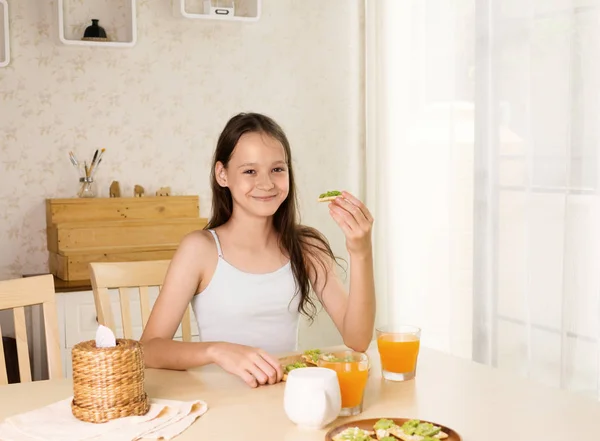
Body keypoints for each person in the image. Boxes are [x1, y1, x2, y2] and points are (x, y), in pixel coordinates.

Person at [140, 112, 376, 388]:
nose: (266, 183)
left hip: (285, 401)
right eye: (250, 171)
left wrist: (361, 252)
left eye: (277, 169)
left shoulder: (306, 247)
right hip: (222, 406)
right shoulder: (200, 249)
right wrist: (217, 350)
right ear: (222, 174)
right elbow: (147, 350)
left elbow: (358, 339)